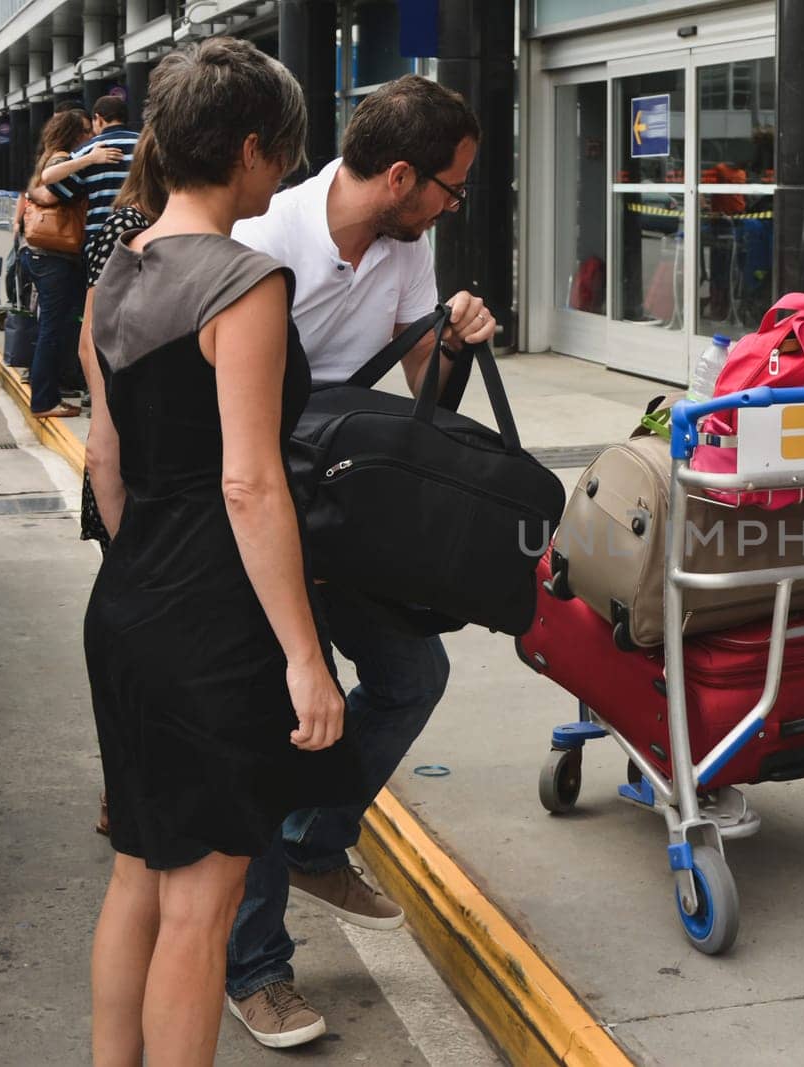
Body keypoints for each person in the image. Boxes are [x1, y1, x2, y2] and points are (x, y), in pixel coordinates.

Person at [83, 38, 359, 1065]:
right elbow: (251, 481)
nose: (283, 171)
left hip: (127, 601)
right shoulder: (244, 282)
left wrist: (143, 577)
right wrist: (301, 653)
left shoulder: (116, 268)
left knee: (137, 875)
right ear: (246, 147)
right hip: (215, 614)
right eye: (280, 152)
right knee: (204, 902)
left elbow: (105, 461)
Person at [221, 73, 494, 1049]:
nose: (455, 204)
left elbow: (427, 393)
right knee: (277, 723)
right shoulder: (265, 239)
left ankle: (316, 838)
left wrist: (452, 341)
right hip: (258, 503)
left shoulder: (401, 244)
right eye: (451, 188)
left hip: (347, 499)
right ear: (400, 174)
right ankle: (254, 966)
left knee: (412, 670)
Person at [77, 126, 168, 838]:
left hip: (143, 456)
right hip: (132, 457)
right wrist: (106, 431)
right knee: (134, 634)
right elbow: (94, 334)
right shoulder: (132, 226)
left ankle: (136, 786)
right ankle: (124, 789)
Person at [21, 110, 121, 417]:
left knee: (58, 324)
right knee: (53, 326)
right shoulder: (62, 157)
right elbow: (46, 192)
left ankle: (55, 388)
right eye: (86, 130)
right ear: (75, 133)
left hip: (49, 254)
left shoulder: (58, 154)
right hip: (54, 254)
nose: (92, 134)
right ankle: (44, 400)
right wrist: (90, 160)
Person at [50, 93, 139, 257]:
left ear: (98, 119)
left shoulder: (87, 151)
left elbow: (58, 189)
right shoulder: (146, 144)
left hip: (99, 238)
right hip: (141, 235)